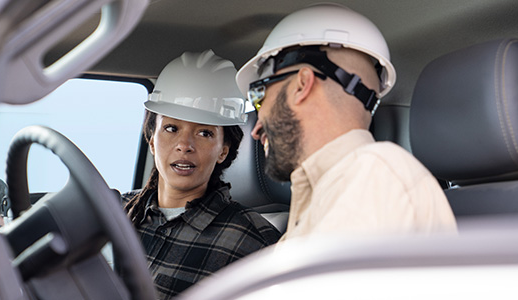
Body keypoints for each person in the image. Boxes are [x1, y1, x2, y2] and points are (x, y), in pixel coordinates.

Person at [235, 3, 457, 242]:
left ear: (301, 85)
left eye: (260, 97)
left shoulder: (373, 179)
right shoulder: (330, 191)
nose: (256, 130)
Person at [122, 50, 281, 300]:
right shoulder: (116, 211)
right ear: (151, 141)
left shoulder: (252, 240)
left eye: (204, 133)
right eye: (171, 128)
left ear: (223, 151)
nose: (185, 145)